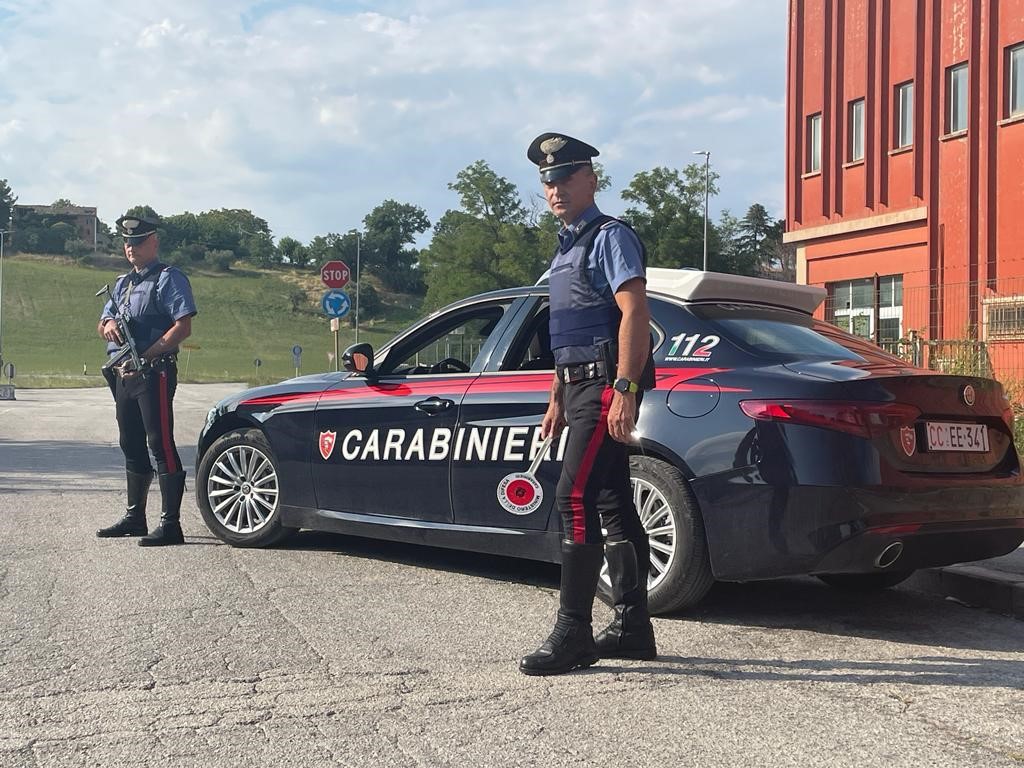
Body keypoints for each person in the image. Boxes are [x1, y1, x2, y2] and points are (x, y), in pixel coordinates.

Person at [519, 133, 657, 676]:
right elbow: (569, 328)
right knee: (610, 502)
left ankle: (573, 632)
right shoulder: (565, 246)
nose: (553, 189)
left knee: (571, 496)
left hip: (603, 385)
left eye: (563, 178)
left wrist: (624, 388)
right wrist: (557, 392)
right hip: (576, 385)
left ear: (589, 179)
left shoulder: (610, 237)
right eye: (546, 182)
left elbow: (634, 312)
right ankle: (631, 627)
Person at [95, 214, 198, 546]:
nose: (130, 248)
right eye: (126, 243)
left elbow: (183, 325)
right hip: (124, 371)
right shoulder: (124, 284)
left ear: (153, 242)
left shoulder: (169, 278)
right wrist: (108, 325)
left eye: (137, 242)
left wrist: (152, 352)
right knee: (130, 442)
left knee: (161, 443)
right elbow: (103, 323)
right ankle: (134, 516)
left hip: (155, 371)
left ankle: (170, 524)